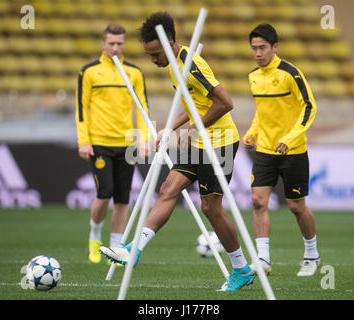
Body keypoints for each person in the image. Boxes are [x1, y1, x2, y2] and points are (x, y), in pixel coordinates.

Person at [100, 12, 255, 292]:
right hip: (199, 143)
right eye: (149, 55)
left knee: (211, 208)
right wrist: (171, 128)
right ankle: (134, 250)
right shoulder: (174, 66)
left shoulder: (191, 63)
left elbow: (224, 103)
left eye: (156, 53)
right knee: (168, 188)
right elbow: (193, 102)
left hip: (219, 142)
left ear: (171, 43)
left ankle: (242, 269)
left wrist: (189, 131)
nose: (153, 59)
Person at [243, 23, 320, 277]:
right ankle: (263, 259)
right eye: (254, 48)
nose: (257, 53)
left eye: (262, 47)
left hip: (293, 150)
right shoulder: (253, 76)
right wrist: (253, 131)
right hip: (265, 150)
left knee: (296, 206)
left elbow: (309, 107)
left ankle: (312, 254)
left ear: (275, 47)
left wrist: (291, 137)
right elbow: (262, 112)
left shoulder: (290, 74)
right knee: (257, 201)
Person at [76, 23, 150, 264]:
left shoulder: (135, 73)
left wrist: (145, 139)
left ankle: (115, 250)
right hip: (99, 143)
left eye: (120, 43)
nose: (116, 47)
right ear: (103, 43)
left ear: (124, 44)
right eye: (111, 43)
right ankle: (95, 235)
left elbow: (143, 109)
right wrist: (84, 141)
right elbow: (81, 109)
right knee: (104, 193)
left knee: (122, 199)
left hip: (126, 144)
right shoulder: (89, 72)